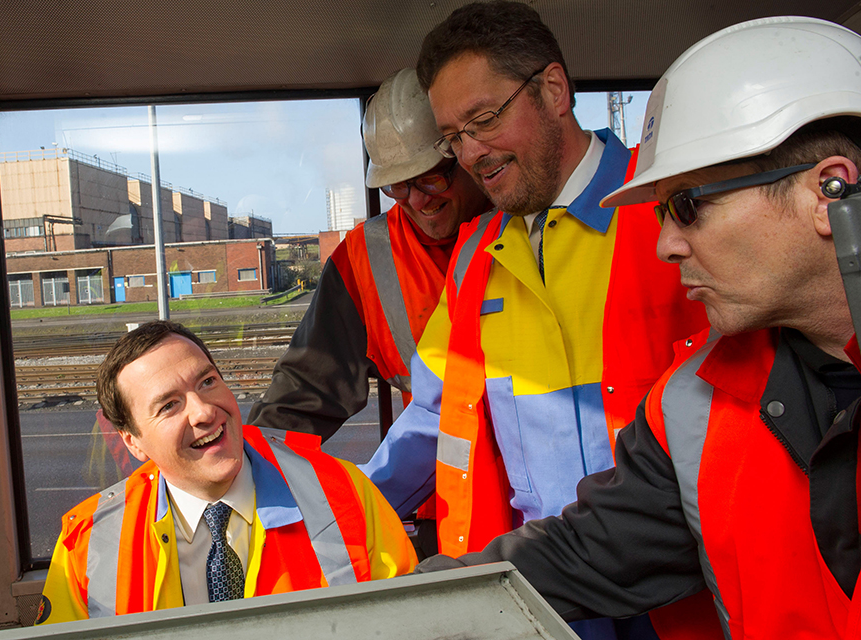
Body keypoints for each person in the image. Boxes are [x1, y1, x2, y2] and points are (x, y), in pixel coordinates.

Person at [415, 15, 861, 639]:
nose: (665, 244)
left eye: (688, 205)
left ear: (829, 191)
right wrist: (392, 605)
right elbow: (583, 550)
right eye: (453, 136)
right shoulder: (692, 410)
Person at [362, 2, 715, 638]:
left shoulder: (672, 208)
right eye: (454, 137)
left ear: (554, 89)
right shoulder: (473, 256)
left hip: (682, 596)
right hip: (539, 600)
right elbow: (431, 421)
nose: (470, 153)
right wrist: (333, 514)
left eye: (484, 120)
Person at [36, 321, 416, 624]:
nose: (204, 411)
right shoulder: (87, 547)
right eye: (169, 405)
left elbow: (411, 625)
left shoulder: (346, 496)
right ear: (133, 442)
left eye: (207, 381)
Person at [248, 68, 491, 439]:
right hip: (439, 484)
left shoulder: (531, 225)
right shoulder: (365, 259)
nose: (418, 200)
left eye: (432, 177)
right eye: (398, 186)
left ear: (466, 154)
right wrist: (249, 467)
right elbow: (307, 389)